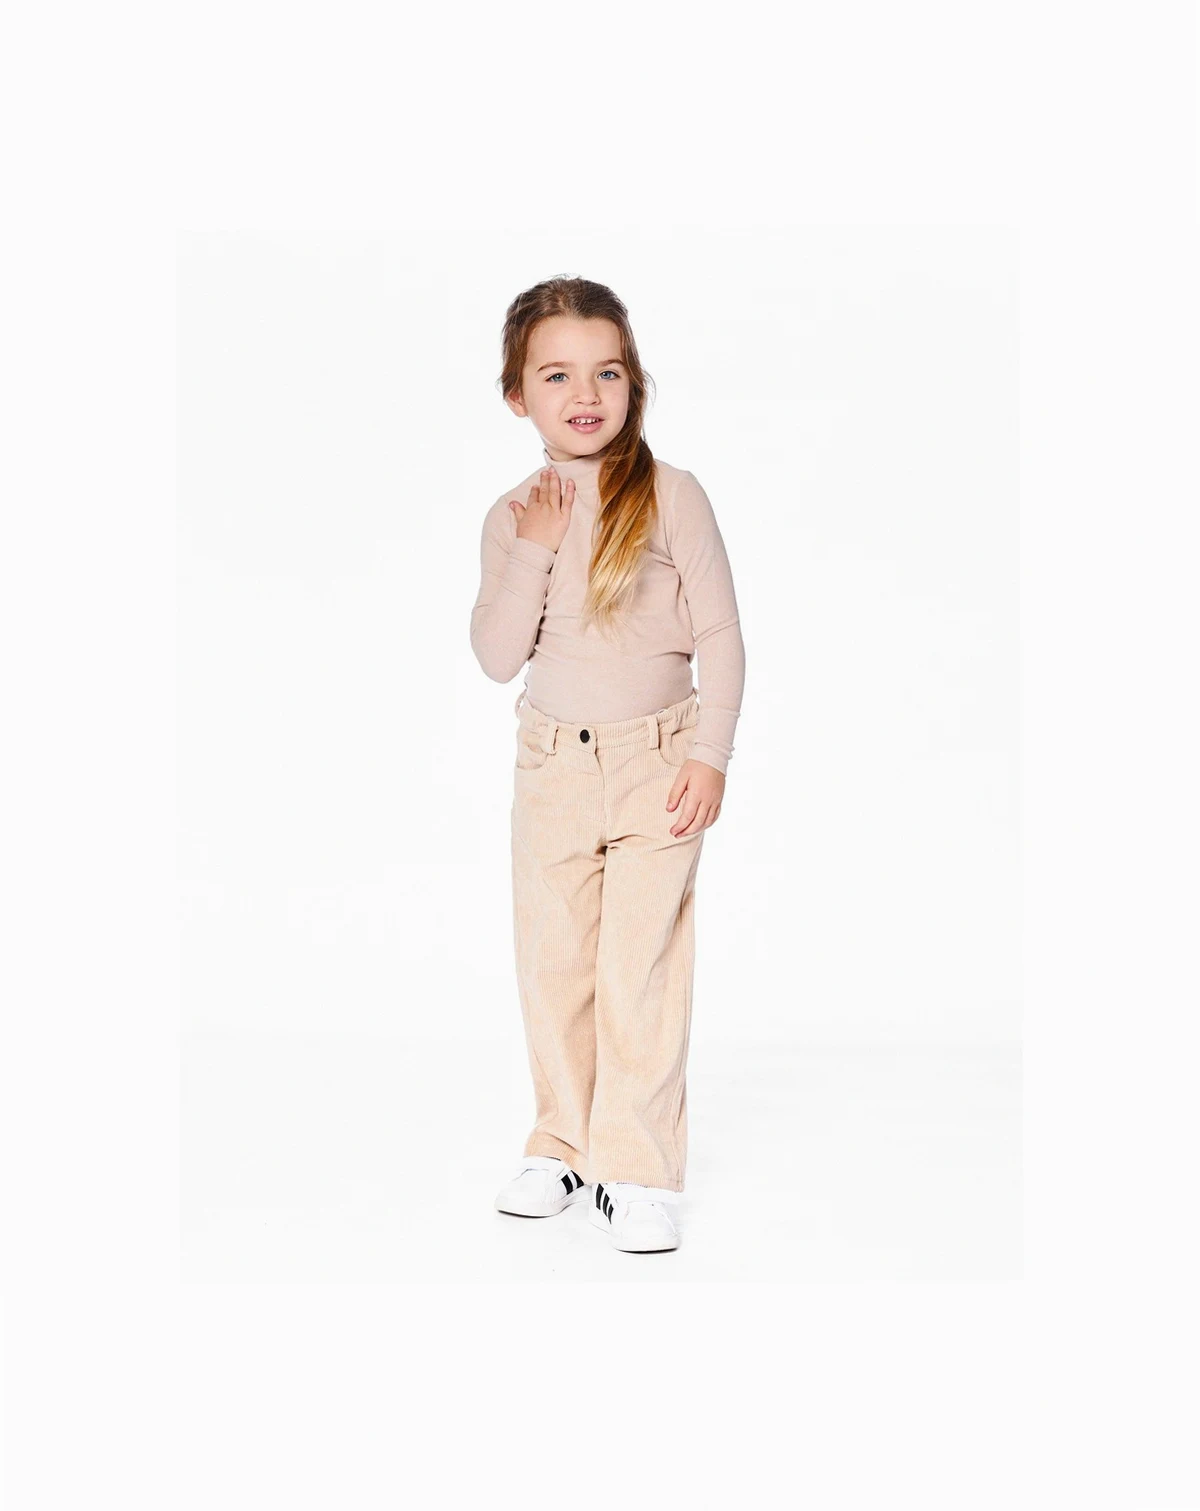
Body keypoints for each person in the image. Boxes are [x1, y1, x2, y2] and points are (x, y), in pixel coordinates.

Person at [469, 277, 745, 1253]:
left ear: (635, 384)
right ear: (518, 395)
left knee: (640, 966)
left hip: (656, 762)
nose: (584, 394)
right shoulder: (512, 514)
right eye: (556, 375)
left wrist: (710, 755)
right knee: (555, 963)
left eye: (607, 373)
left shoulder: (673, 495)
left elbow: (722, 633)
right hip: (551, 766)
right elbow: (497, 654)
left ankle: (635, 1165)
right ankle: (563, 1143)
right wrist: (535, 549)